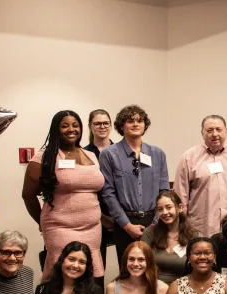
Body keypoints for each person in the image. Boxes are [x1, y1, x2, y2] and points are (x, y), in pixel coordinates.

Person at [21, 110, 104, 280]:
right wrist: (42, 223)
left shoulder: (91, 155)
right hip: (59, 228)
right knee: (63, 275)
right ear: (56, 129)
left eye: (75, 125)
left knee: (91, 275)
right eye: (64, 126)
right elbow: (28, 195)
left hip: (92, 228)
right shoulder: (45, 157)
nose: (71, 129)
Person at [99, 105, 171, 270]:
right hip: (125, 223)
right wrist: (126, 225)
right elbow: (108, 193)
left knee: (154, 272)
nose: (135, 124)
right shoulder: (109, 154)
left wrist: (155, 223)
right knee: (128, 272)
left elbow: (164, 191)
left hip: (155, 221)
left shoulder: (157, 153)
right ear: (121, 125)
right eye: (130, 121)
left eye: (140, 120)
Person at [174, 115, 227, 237]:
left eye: (219, 129)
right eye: (209, 130)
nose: (214, 134)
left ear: (226, 132)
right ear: (202, 133)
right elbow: (181, 196)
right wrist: (181, 227)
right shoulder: (189, 158)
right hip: (201, 229)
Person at [140, 191, 194, 284]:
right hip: (154, 288)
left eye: (169, 207)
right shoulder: (150, 232)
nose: (164, 212)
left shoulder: (193, 236)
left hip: (183, 289)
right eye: (160, 209)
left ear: (180, 207)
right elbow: (140, 261)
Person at [84, 109, 115, 269]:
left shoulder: (121, 152)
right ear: (90, 126)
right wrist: (101, 217)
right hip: (94, 218)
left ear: (110, 126)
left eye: (105, 123)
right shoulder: (84, 154)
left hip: (120, 218)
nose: (102, 126)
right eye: (97, 123)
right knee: (95, 268)